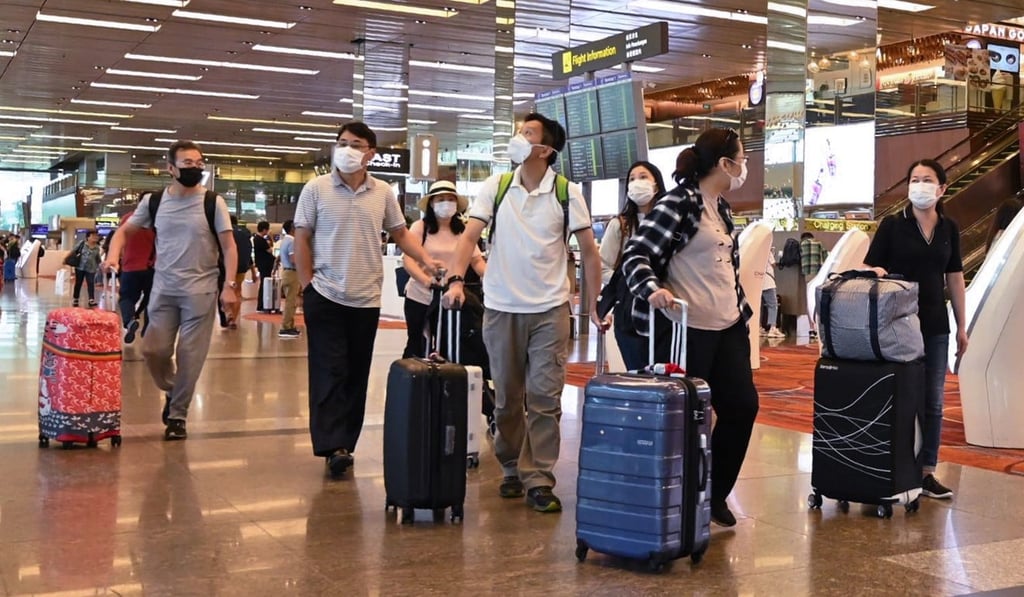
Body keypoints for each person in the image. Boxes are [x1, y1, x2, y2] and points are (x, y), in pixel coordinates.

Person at [443, 113, 604, 513]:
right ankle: (511, 464)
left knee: (545, 398)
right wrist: (455, 280)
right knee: (508, 399)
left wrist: (594, 304)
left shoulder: (566, 192)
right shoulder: (496, 187)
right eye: (519, 130)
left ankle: (539, 478)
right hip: (501, 307)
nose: (519, 137)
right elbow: (469, 237)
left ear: (545, 150)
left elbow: (589, 252)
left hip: (550, 309)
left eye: (528, 133)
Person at [621, 127, 760, 527]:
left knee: (741, 407)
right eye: (742, 158)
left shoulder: (721, 206)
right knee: (687, 417)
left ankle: (713, 494)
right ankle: (675, 499)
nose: (744, 166)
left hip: (728, 325)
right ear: (724, 164)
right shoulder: (679, 202)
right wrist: (652, 290)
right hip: (687, 328)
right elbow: (637, 254)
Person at [294, 121, 441, 479]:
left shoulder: (383, 192)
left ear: (370, 153)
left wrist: (426, 260)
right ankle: (332, 446)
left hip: (365, 296)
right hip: (325, 293)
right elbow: (302, 236)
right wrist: (307, 284)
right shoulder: (316, 189)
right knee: (330, 369)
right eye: (342, 142)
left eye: (355, 144)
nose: (346, 149)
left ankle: (347, 442)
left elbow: (400, 233)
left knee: (357, 372)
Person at [104, 140, 238, 441]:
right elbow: (124, 231)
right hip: (163, 289)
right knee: (153, 350)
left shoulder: (212, 202)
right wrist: (113, 255)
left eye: (199, 162)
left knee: (190, 356)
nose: (195, 168)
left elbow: (228, 246)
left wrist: (229, 287)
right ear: (170, 168)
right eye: (188, 163)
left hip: (200, 291)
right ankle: (173, 389)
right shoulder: (154, 201)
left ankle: (178, 415)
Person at [864, 158, 968, 500]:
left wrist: (962, 327)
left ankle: (926, 471)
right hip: (898, 325)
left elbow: (954, 277)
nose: (920, 185)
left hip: (935, 324)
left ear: (941, 189)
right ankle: (891, 467)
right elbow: (872, 268)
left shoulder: (949, 227)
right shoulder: (893, 225)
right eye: (914, 179)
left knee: (933, 401)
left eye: (927, 179)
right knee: (897, 395)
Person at [402, 180, 486, 358]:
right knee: (417, 342)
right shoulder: (421, 227)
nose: (446, 203)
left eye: (450, 199)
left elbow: (476, 260)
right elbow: (408, 261)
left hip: (449, 297)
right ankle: (415, 380)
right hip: (420, 296)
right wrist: (426, 281)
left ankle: (445, 381)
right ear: (432, 203)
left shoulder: (463, 230)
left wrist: (490, 276)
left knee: (449, 343)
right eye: (440, 199)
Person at [598, 160, 667, 370]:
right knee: (637, 372)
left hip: (666, 310)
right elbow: (603, 266)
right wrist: (629, 285)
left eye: (644, 177)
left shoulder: (670, 222)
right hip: (630, 314)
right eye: (632, 179)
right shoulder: (620, 225)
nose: (637, 182)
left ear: (657, 184)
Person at [116, 209, 156, 343]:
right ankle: (148, 330)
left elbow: (120, 240)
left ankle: (129, 321)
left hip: (130, 267)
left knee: (126, 298)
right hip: (152, 267)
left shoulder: (128, 217)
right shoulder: (158, 218)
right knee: (152, 300)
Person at [276, 220, 301, 339]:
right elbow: (293, 259)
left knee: (290, 302)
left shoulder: (284, 240)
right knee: (291, 303)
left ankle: (290, 326)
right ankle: (285, 327)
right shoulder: (292, 241)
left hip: (286, 272)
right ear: (293, 228)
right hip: (292, 273)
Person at [228, 215, 253, 328]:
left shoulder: (227, 232)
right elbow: (249, 252)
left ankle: (227, 314)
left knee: (226, 291)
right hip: (242, 267)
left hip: (228, 267)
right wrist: (252, 269)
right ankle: (233, 320)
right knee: (237, 293)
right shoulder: (245, 234)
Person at [72, 231, 103, 308]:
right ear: (88, 237)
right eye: (93, 236)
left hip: (91, 268)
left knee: (91, 283)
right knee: (78, 283)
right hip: (80, 267)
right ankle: (76, 298)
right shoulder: (82, 244)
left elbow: (97, 258)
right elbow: (74, 251)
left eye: (96, 236)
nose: (95, 237)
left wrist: (101, 265)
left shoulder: (97, 248)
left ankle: (91, 300)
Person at [761, 246, 784, 338]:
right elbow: (774, 264)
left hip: (758, 281)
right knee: (773, 305)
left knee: (759, 306)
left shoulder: (755, 251)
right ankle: (772, 328)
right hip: (768, 281)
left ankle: (759, 327)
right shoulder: (766, 251)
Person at [254, 220, 275, 312]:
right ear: (264, 230)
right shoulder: (260, 239)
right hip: (265, 265)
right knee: (265, 284)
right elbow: (270, 250)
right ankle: (262, 304)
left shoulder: (257, 239)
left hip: (263, 264)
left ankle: (263, 304)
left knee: (264, 283)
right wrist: (270, 237)